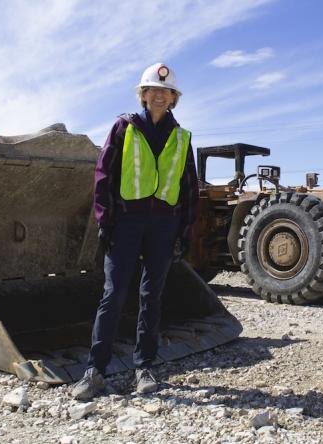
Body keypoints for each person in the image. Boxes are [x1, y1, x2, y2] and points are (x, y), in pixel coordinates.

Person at [72, 63, 198, 400]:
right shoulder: (122, 128)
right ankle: (95, 370)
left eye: (166, 91)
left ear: (173, 99)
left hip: (163, 225)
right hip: (126, 222)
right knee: (113, 294)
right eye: (153, 90)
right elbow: (104, 175)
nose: (159, 96)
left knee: (151, 296)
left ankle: (144, 368)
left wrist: (184, 231)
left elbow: (189, 187)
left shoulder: (182, 137)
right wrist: (105, 220)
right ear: (143, 95)